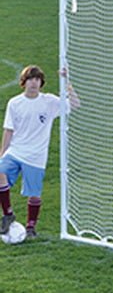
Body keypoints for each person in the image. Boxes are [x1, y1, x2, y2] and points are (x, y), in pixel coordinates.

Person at [0, 65, 80, 240]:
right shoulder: (14, 103)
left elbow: (74, 104)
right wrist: (1, 154)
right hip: (16, 151)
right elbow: (8, 130)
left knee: (34, 193)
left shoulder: (49, 102)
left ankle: (30, 228)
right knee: (0, 173)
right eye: (30, 79)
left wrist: (67, 82)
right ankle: (8, 215)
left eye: (37, 79)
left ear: (41, 83)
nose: (34, 83)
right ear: (24, 82)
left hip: (36, 156)